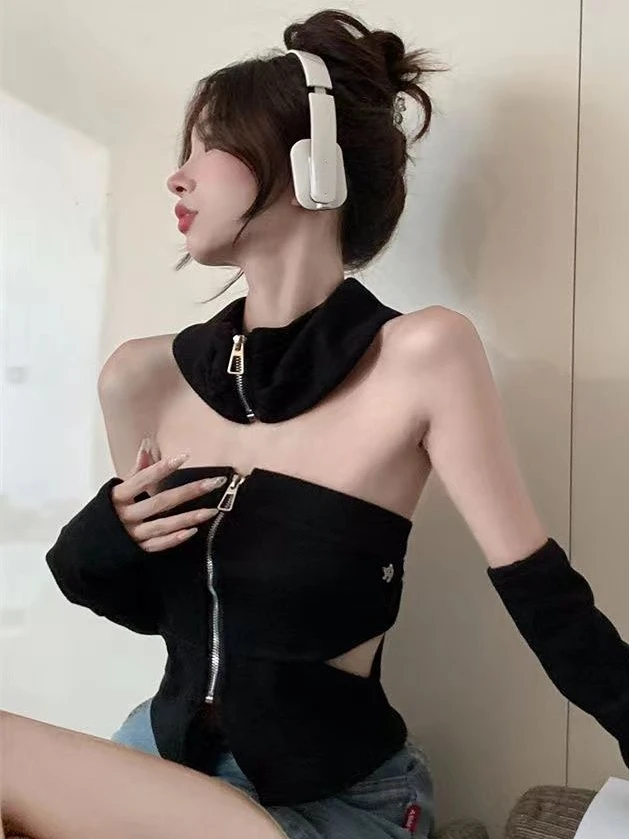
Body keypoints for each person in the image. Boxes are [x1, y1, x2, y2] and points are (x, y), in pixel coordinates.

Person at [1, 9, 627, 839]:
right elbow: (181, 614)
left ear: (313, 165)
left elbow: (543, 595)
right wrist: (97, 544)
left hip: (331, 803)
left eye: (208, 144)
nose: (176, 177)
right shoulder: (142, 378)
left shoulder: (420, 355)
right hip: (162, 771)